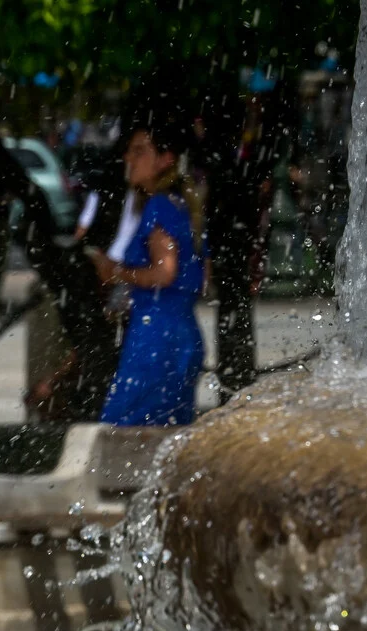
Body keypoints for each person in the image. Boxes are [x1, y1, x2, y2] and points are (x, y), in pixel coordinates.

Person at [91, 124, 206, 426]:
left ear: (165, 159)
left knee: (120, 433)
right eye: (129, 150)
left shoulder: (159, 206)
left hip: (156, 336)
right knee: (162, 439)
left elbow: (164, 273)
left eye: (139, 151)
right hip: (182, 331)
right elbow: (194, 277)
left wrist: (114, 272)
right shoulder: (181, 207)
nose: (129, 157)